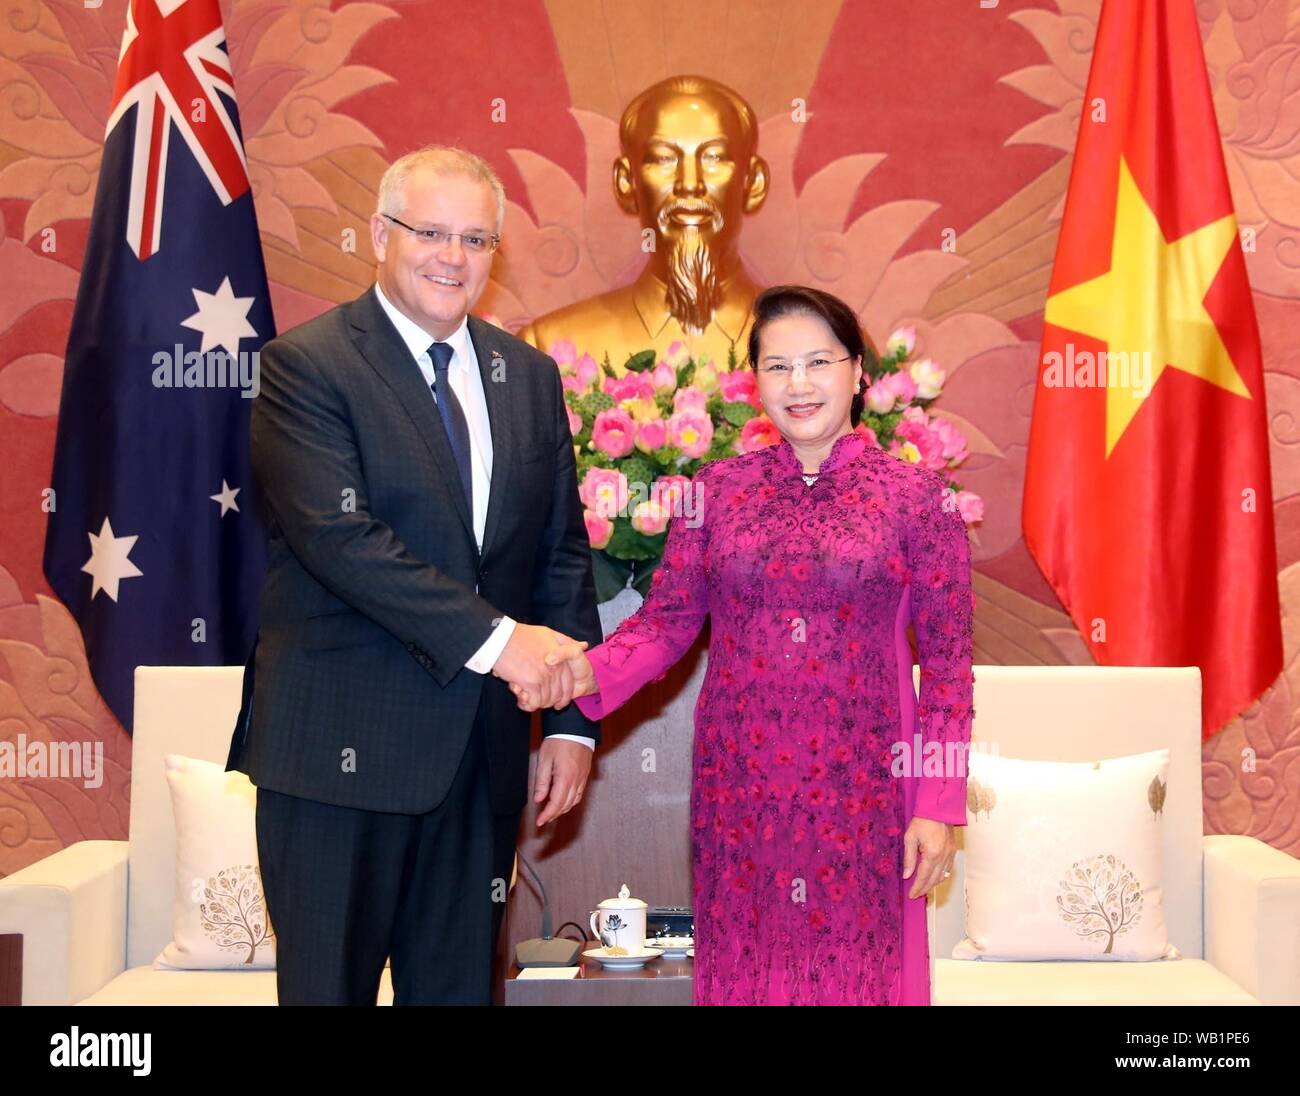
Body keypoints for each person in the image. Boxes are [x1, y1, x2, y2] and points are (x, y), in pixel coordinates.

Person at [512, 285, 975, 1005]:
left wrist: (937, 805)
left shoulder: (918, 499)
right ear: (752, 382)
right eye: (778, 366)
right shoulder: (716, 490)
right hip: (743, 792)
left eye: (819, 362)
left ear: (858, 371)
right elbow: (662, 626)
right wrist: (576, 674)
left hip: (868, 794)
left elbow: (948, 671)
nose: (799, 384)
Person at [225, 146, 602, 1005]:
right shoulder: (306, 365)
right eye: (430, 232)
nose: (452, 257)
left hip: (477, 766)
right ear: (377, 235)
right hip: (335, 762)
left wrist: (575, 724)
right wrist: (504, 645)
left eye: (476, 238)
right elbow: (339, 538)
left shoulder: (528, 378)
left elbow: (558, 555)